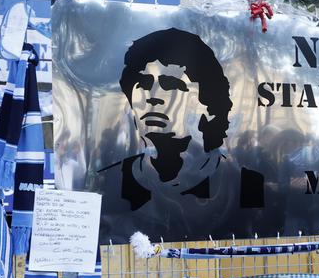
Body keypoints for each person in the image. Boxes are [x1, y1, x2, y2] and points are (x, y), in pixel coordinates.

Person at [93, 28, 276, 240]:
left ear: (206, 101)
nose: (153, 97)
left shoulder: (242, 182)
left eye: (170, 84)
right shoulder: (120, 177)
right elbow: (108, 240)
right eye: (142, 84)